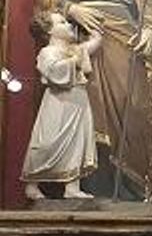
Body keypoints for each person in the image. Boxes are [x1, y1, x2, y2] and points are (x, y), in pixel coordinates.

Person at [38, 0, 152, 200]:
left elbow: (149, 5)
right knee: (86, 115)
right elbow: (43, 8)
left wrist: (148, 28)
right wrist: (71, 9)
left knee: (133, 109)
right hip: (84, 46)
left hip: (126, 45)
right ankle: (90, 188)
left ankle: (134, 189)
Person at [21, 11, 99, 201]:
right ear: (50, 31)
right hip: (58, 102)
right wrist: (75, 60)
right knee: (48, 141)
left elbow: (94, 42)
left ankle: (72, 186)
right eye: (62, 22)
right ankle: (32, 184)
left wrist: (93, 31)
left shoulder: (75, 49)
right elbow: (54, 72)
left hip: (78, 99)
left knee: (77, 142)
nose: (68, 25)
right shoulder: (48, 52)